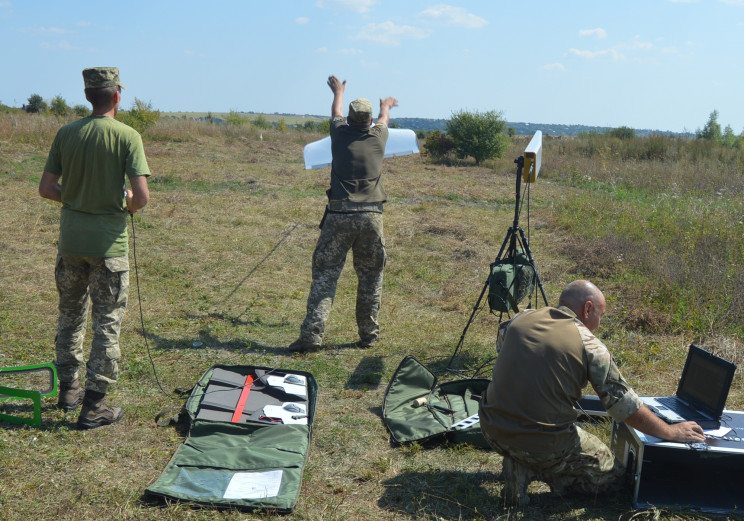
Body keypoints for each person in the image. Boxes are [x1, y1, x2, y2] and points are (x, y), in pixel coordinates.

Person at [479, 280, 705, 506]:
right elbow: (623, 405)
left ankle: (520, 459)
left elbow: (506, 351)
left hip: (492, 429)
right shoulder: (590, 345)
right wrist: (670, 431)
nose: (599, 323)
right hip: (544, 445)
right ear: (587, 309)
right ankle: (532, 467)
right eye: (601, 314)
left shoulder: (521, 318)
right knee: (613, 478)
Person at [39, 67, 151, 429]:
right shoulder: (128, 136)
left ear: (89, 96)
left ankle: (68, 389)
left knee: (70, 314)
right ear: (117, 95)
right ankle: (94, 405)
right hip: (108, 246)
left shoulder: (67, 133)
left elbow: (46, 187)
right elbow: (141, 198)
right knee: (107, 322)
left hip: (71, 241)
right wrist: (125, 203)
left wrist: (74, 198)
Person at [288, 76, 398, 353]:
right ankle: (368, 335)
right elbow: (384, 118)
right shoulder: (379, 136)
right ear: (370, 120)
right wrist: (387, 105)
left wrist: (339, 91)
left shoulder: (339, 133)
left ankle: (312, 337)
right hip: (372, 217)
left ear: (349, 120)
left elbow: (336, 112)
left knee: (326, 275)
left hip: (339, 215)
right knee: (371, 277)